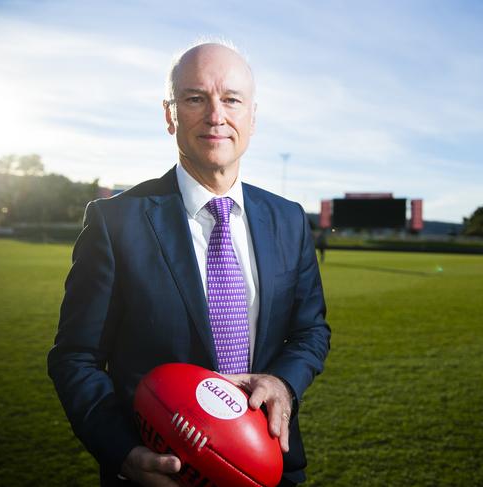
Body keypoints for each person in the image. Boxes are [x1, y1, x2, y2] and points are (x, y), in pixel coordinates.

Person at [47, 40, 330, 487]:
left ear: (252, 117)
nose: (216, 115)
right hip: (160, 472)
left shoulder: (288, 218)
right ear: (169, 114)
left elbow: (311, 330)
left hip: (266, 467)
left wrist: (283, 383)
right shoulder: (114, 222)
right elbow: (76, 357)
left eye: (232, 99)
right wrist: (123, 453)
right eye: (195, 98)